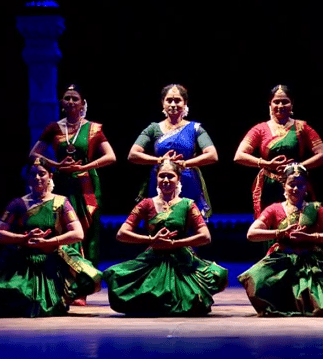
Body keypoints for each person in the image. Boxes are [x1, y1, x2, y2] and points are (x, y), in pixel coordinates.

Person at [0, 157, 102, 317]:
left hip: (52, 259)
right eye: (32, 174)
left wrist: (48, 242)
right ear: (27, 178)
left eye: (41, 173)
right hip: (24, 259)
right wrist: (23, 239)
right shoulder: (18, 204)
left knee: (89, 277)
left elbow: (78, 233)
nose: (37, 178)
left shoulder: (61, 202)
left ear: (50, 176)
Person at [102, 160, 228, 316]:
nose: (166, 180)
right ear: (156, 178)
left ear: (178, 179)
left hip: (182, 260)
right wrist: (151, 239)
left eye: (170, 176)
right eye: (162, 176)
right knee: (119, 278)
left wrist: (174, 243)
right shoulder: (146, 204)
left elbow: (205, 237)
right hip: (153, 257)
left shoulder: (188, 204)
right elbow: (122, 234)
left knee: (212, 281)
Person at [29, 83, 116, 306]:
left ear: (82, 103)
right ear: (61, 103)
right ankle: (62, 285)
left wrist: (85, 167)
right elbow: (34, 154)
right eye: (66, 98)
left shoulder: (93, 128)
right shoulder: (54, 128)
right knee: (62, 231)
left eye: (74, 98)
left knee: (87, 234)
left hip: (87, 188)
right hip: (62, 186)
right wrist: (57, 165)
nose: (70, 101)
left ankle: (83, 288)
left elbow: (110, 157)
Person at [237, 163, 323, 317]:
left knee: (322, 306)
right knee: (256, 280)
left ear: (306, 187)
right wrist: (279, 233)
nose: (296, 189)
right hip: (283, 259)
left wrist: (310, 237)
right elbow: (251, 234)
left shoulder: (316, 209)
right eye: (291, 184)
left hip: (310, 261)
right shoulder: (274, 209)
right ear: (284, 185)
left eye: (301, 185)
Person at [234, 84, 323, 222]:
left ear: (292, 104)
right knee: (269, 224)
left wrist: (297, 167)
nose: (280, 105)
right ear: (270, 104)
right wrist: (267, 164)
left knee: (298, 224)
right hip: (269, 186)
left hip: (296, 184)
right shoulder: (260, 129)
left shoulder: (302, 127)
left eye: (285, 102)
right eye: (276, 102)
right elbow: (239, 156)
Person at [128, 84, 218, 218]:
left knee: (189, 221)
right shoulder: (153, 128)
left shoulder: (195, 128)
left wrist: (185, 164)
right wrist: (160, 160)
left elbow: (212, 155)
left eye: (177, 100)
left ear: (185, 103)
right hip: (160, 182)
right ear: (162, 103)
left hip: (188, 182)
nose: (173, 104)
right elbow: (133, 154)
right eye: (169, 100)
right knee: (159, 221)